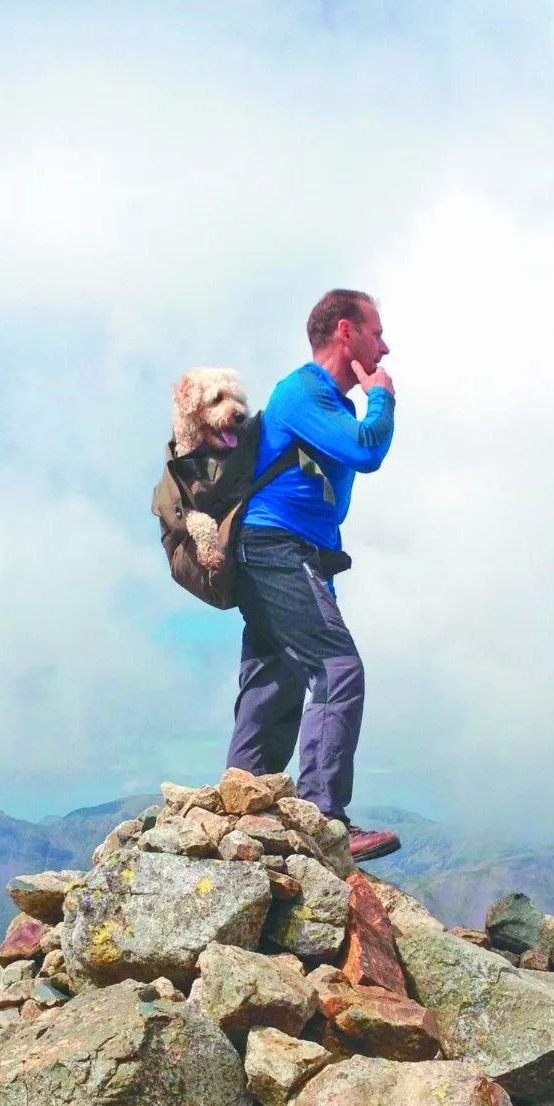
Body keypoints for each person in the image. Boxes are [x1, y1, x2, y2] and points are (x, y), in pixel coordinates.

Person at [226, 288, 399, 862]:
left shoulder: (325, 402)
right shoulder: (302, 392)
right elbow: (367, 450)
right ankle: (324, 819)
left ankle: (240, 814)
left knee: (273, 682)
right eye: (377, 333)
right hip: (276, 546)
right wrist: (381, 397)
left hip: (278, 552)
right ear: (346, 331)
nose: (385, 348)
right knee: (336, 668)